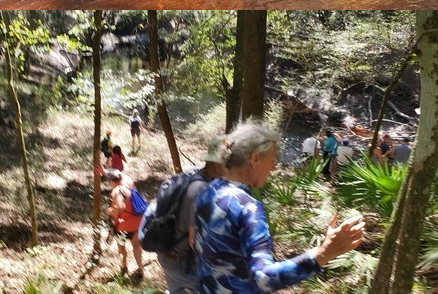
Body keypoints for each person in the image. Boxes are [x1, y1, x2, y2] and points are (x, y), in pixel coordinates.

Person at [194, 120, 364, 293]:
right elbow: (263, 278)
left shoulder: (207, 190)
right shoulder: (247, 207)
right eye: (272, 160)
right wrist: (324, 253)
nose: (274, 167)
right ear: (254, 158)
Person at [154, 137, 226, 294]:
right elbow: (194, 241)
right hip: (181, 260)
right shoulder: (203, 190)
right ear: (218, 163)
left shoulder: (192, 174)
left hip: (168, 251)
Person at [104, 170, 146, 279]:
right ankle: (140, 268)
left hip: (123, 226)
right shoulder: (128, 186)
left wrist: (109, 211)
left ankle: (123, 268)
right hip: (136, 222)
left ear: (110, 181)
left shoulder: (117, 191)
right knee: (136, 245)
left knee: (121, 246)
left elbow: (121, 207)